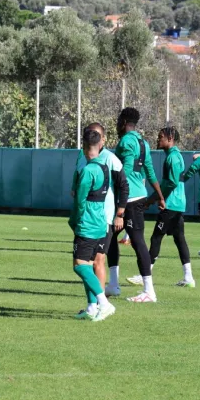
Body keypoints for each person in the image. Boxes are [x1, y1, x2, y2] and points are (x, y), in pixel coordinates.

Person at [115, 107, 165, 304]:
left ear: (124, 121)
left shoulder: (126, 141)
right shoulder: (143, 143)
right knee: (109, 236)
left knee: (138, 242)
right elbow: (150, 172)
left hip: (129, 199)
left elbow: (126, 169)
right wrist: (160, 196)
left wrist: (113, 189)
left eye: (119, 120)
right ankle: (112, 284)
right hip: (139, 196)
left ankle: (149, 291)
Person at [72, 123, 129, 297]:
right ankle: (93, 305)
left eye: (97, 135)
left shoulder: (110, 159)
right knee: (87, 263)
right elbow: (76, 184)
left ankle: (101, 301)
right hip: (86, 219)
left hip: (104, 218)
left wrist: (120, 214)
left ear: (103, 139)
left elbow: (124, 186)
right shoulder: (82, 156)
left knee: (98, 260)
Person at [69, 127, 116, 321]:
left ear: (84, 146)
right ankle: (91, 307)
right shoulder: (104, 168)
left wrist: (75, 220)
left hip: (87, 223)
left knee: (79, 266)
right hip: (100, 223)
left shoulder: (88, 171)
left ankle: (104, 303)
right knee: (88, 265)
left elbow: (80, 201)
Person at [146, 127, 194, 287]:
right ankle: (188, 277)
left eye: (161, 136)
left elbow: (172, 182)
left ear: (170, 138)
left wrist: (158, 197)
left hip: (171, 204)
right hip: (177, 204)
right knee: (179, 239)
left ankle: (145, 274)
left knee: (156, 238)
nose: (158, 139)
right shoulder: (174, 156)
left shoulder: (173, 157)